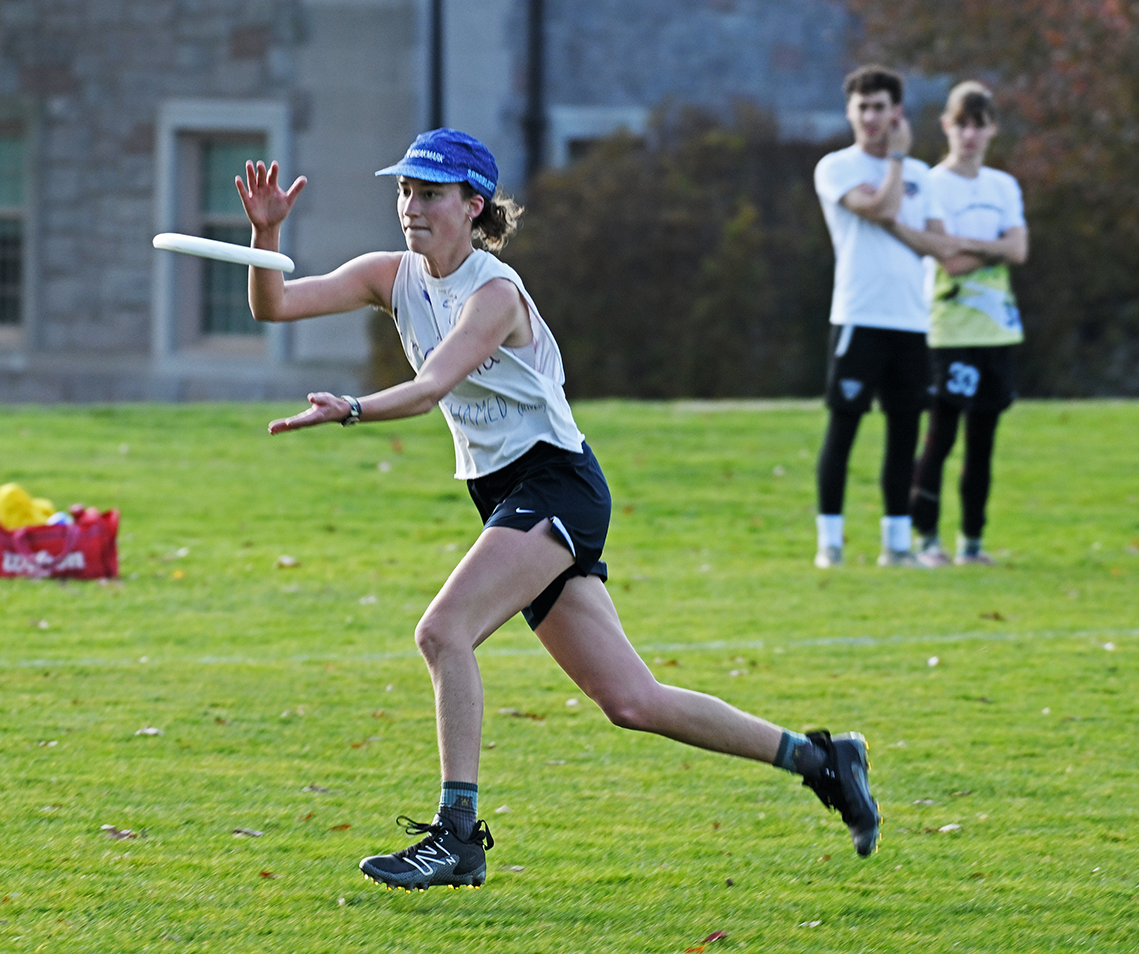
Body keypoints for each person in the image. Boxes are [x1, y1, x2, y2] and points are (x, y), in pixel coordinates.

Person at [234, 128, 880, 892]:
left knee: (443, 632)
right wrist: (266, 233)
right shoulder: (390, 274)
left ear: (473, 207)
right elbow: (274, 305)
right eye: (405, 190)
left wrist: (350, 409)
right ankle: (821, 758)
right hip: (509, 495)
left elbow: (432, 385)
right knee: (633, 702)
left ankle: (457, 836)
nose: (411, 206)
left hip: (554, 486)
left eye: (431, 193)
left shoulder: (493, 292)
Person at [811, 66, 972, 568]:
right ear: (850, 111)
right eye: (862, 107)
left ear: (895, 111)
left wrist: (897, 216)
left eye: (880, 107)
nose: (871, 117)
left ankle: (896, 546)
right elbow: (879, 208)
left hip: (912, 321)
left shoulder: (924, 177)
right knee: (844, 430)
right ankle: (830, 543)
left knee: (904, 434)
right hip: (859, 314)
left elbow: (943, 245)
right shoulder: (836, 166)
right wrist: (897, 163)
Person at [908, 82, 1028, 566]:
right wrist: (992, 248)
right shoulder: (931, 184)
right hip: (949, 328)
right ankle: (926, 539)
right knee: (941, 436)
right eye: (962, 123)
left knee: (983, 443)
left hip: (996, 329)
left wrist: (969, 247)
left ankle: (972, 543)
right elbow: (947, 262)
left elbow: (1019, 250)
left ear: (992, 128)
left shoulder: (1004, 186)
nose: (971, 134)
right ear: (946, 126)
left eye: (980, 124)